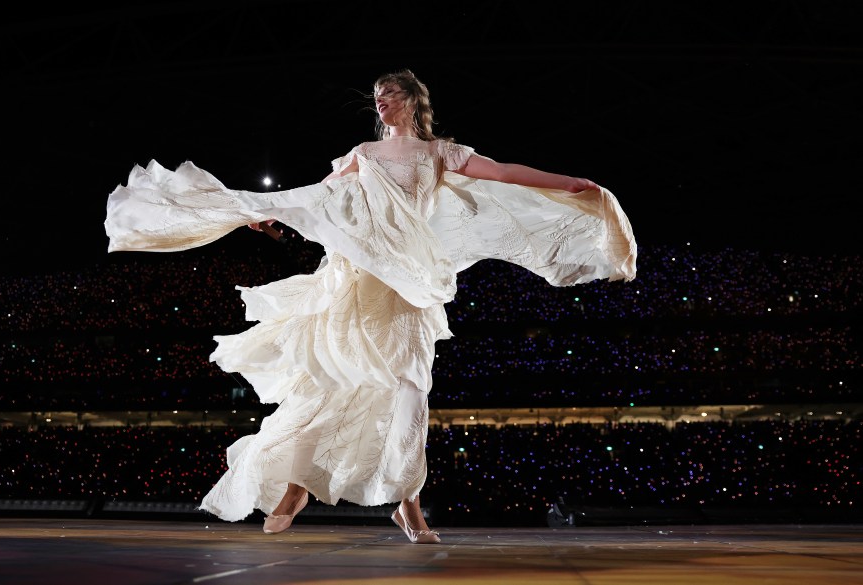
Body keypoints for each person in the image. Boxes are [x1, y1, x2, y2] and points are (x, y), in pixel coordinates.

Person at [104, 68, 637, 544]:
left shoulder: (438, 153)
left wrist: (566, 183)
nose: (380, 103)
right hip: (357, 278)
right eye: (377, 97)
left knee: (410, 391)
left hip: (409, 284)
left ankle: (408, 509)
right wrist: (260, 215)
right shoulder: (362, 155)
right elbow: (316, 196)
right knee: (336, 379)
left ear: (411, 101)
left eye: (388, 95)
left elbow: (501, 172)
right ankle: (297, 486)